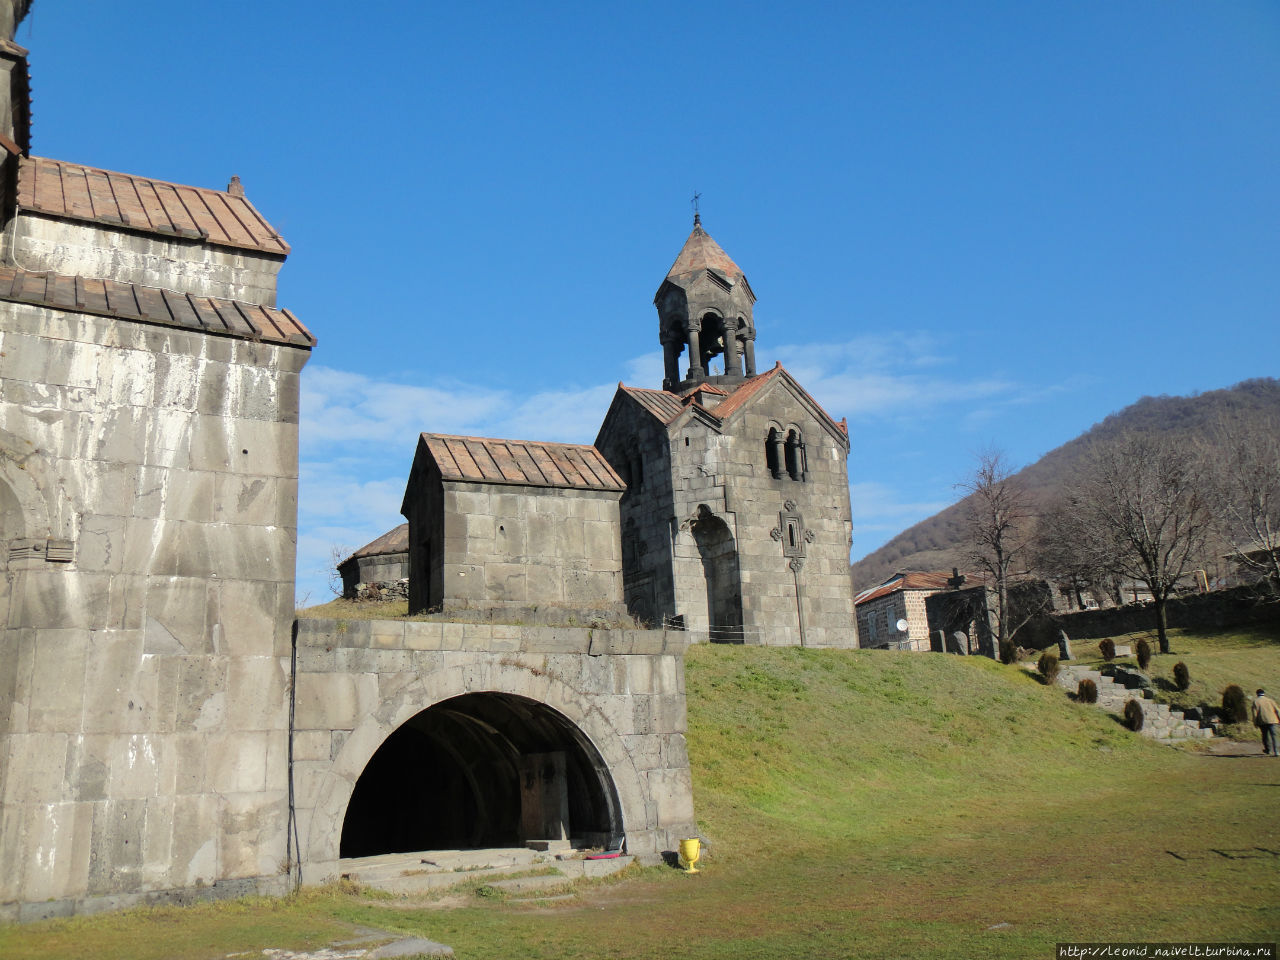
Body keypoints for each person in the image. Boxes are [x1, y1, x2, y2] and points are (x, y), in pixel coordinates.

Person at [1252, 688, 1280, 756]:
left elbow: (1254, 714)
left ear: (1257, 694)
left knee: (1265, 736)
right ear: (1264, 693)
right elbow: (1277, 710)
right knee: (1274, 736)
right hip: (1273, 720)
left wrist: (1255, 723)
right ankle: (1277, 751)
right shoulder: (1270, 700)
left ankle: (1268, 750)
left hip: (1262, 721)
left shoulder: (1256, 702)